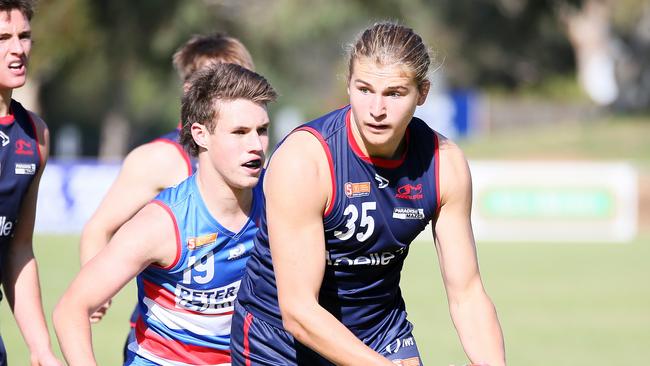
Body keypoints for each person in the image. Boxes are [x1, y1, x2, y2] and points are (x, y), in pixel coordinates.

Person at [231, 22, 506, 366]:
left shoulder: (444, 164)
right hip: (280, 343)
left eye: (394, 93)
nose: (376, 109)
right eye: (364, 90)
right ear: (348, 84)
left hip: (380, 332)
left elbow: (467, 295)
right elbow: (299, 312)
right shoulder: (306, 161)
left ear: (422, 93)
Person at [53, 63, 276, 365]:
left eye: (261, 131)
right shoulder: (162, 224)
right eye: (239, 132)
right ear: (200, 134)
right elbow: (70, 310)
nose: (255, 146)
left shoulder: (278, 199)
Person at [0, 1, 61, 365]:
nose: (18, 49)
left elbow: (18, 249)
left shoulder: (35, 135)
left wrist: (40, 347)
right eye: (2, 37)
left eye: (24, 37)